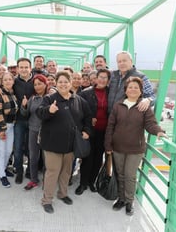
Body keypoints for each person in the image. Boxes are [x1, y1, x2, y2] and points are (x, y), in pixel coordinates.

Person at [105, 76, 166, 216]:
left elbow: (150, 123)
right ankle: (120, 199)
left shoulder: (143, 107)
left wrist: (158, 131)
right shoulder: (118, 105)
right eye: (130, 87)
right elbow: (110, 126)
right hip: (117, 147)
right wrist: (108, 144)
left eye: (136, 88)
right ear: (125, 90)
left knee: (130, 175)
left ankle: (129, 201)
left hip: (135, 149)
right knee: (119, 174)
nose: (133, 90)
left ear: (140, 91)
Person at [36, 71, 92, 214]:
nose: (63, 84)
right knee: (52, 172)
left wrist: (87, 130)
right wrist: (50, 110)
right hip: (52, 144)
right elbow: (39, 113)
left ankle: (63, 193)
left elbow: (87, 117)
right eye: (60, 81)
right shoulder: (49, 99)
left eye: (66, 81)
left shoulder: (78, 100)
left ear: (70, 82)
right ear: (56, 83)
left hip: (70, 144)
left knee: (66, 172)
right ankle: (47, 200)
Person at [77, 68, 111, 195]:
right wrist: (89, 120)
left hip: (105, 131)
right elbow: (78, 111)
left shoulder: (111, 93)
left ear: (108, 80)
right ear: (96, 78)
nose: (102, 80)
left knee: (98, 158)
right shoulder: (86, 93)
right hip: (90, 130)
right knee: (87, 158)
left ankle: (92, 181)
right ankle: (83, 183)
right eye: (100, 77)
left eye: (105, 78)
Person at [20, 74, 49, 191]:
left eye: (40, 84)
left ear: (45, 84)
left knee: (47, 158)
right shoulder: (33, 98)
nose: (37, 87)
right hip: (33, 130)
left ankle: (47, 180)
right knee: (33, 156)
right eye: (35, 84)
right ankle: (33, 179)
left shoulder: (51, 97)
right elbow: (25, 114)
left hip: (47, 132)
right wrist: (24, 106)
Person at [0, 72, 19, 188]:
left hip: (11, 126)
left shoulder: (12, 94)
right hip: (1, 126)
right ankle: (2, 175)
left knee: (9, 150)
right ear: (2, 82)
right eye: (5, 80)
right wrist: (2, 129)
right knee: (2, 150)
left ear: (13, 81)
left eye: (10, 79)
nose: (8, 82)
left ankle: (3, 168)